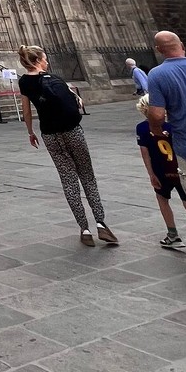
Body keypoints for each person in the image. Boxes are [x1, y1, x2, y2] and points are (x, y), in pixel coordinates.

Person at [18, 44, 118, 247]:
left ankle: (85, 229)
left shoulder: (24, 83)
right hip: (73, 131)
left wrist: (30, 132)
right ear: (38, 60)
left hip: (50, 135)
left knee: (68, 180)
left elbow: (27, 112)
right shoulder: (54, 78)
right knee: (87, 176)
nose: (47, 61)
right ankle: (100, 223)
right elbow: (77, 104)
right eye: (45, 58)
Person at [136, 93, 186, 251]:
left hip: (160, 171)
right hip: (179, 168)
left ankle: (172, 235)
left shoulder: (142, 128)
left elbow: (145, 153)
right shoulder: (173, 125)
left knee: (162, 198)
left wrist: (151, 174)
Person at [147, 30, 186, 203]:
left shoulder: (157, 74)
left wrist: (154, 128)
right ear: (182, 45)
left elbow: (157, 114)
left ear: (159, 50)